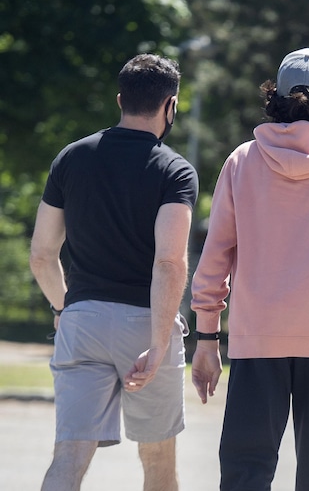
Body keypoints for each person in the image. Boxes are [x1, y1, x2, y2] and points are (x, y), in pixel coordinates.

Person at [190, 47, 309, 491]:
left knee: (245, 469)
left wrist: (207, 335)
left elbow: (215, 257)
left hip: (256, 333)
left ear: (274, 95)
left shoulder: (243, 160)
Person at [29, 53, 198, 491]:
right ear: (171, 105)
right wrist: (161, 341)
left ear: (120, 99)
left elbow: (42, 255)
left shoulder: (71, 157)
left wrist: (67, 308)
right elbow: (169, 260)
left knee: (68, 455)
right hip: (146, 322)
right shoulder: (174, 170)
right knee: (158, 459)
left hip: (82, 321)